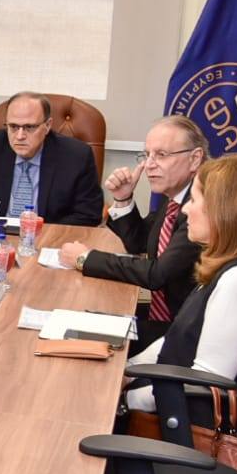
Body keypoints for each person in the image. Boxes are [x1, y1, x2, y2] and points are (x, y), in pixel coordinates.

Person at [123, 155, 237, 448]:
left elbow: (202, 386)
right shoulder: (233, 261)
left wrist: (125, 401)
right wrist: (128, 370)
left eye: (193, 200)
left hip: (209, 439)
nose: (185, 209)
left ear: (222, 211)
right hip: (178, 405)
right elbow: (178, 337)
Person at [58, 115, 207, 351]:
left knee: (75, 333)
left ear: (195, 158)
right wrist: (123, 198)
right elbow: (140, 242)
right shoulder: (175, 196)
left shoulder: (201, 206)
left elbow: (157, 274)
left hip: (184, 333)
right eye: (147, 155)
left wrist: (85, 258)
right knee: (77, 319)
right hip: (168, 319)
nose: (149, 165)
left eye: (161, 155)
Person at [0, 92, 103, 226]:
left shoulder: (76, 155)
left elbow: (89, 214)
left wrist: (41, 228)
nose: (20, 136)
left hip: (47, 237)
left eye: (29, 127)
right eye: (13, 126)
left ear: (47, 126)